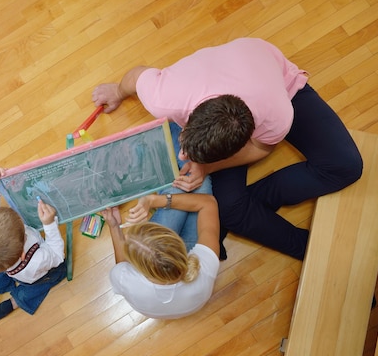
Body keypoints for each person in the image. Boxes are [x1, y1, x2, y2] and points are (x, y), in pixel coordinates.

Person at [92, 37, 362, 260]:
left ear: (236, 147)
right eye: (185, 147)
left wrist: (206, 167)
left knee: (346, 166)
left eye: (188, 154)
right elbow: (137, 74)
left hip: (277, 85)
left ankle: (244, 208)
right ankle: (301, 244)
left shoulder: (278, 114)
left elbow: (261, 148)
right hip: (238, 71)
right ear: (186, 124)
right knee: (231, 208)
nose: (182, 156)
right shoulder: (165, 96)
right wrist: (117, 90)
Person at [0, 167, 66, 324]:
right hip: (30, 274)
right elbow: (57, 255)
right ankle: (15, 302)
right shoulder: (37, 260)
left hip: (8, 268)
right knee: (52, 276)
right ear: (22, 253)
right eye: (24, 232)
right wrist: (49, 224)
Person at [101, 191, 220, 319]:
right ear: (177, 241)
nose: (127, 236)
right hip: (192, 297)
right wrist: (152, 200)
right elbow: (208, 203)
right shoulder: (205, 267)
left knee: (187, 192)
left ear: (140, 269)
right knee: (199, 189)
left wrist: (114, 226)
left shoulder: (125, 279)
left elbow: (122, 266)